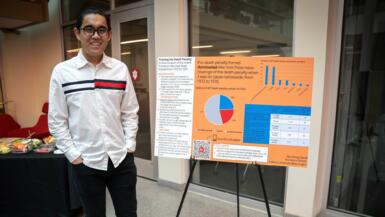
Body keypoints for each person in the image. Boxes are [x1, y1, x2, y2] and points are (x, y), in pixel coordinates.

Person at [48, 7, 139, 217]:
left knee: (128, 213)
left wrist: (129, 146)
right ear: (77, 33)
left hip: (120, 159)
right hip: (86, 162)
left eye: (101, 30)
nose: (95, 35)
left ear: (109, 35)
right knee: (94, 214)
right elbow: (56, 120)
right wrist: (74, 155)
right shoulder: (62, 72)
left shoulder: (119, 69)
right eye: (89, 29)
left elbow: (130, 111)